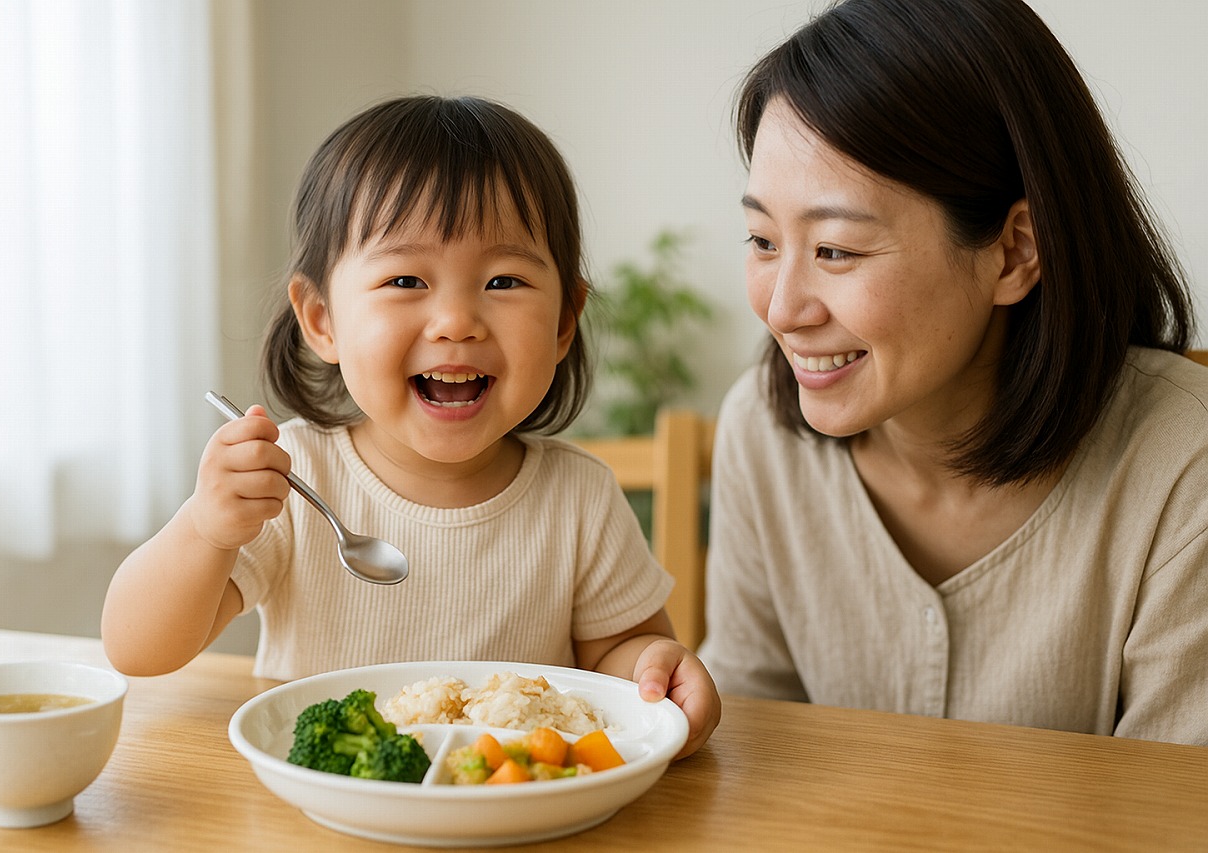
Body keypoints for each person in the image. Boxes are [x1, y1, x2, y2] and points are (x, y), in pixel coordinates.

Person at [102, 95, 719, 757]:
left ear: (565, 320)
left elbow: (621, 656)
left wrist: (657, 668)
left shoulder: (580, 497)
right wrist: (205, 526)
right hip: (328, 807)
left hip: (512, 809)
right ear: (321, 320)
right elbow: (137, 647)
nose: (456, 320)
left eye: (504, 280)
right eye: (405, 278)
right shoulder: (298, 478)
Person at [698, 0, 1208, 745]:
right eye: (763, 239)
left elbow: (1176, 807)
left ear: (1014, 251)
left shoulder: (1182, 466)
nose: (782, 309)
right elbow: (745, 744)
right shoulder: (761, 432)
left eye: (836, 249)